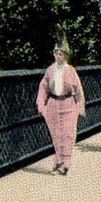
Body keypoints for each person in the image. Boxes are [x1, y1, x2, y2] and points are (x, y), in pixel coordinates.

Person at [36, 43, 85, 176]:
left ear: (65, 56)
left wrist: (80, 105)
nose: (59, 56)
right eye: (57, 53)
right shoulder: (50, 70)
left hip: (68, 102)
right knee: (56, 134)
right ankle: (58, 161)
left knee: (68, 133)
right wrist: (41, 103)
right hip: (53, 103)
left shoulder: (70, 70)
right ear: (54, 55)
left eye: (61, 54)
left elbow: (79, 90)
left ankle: (66, 164)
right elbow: (43, 88)